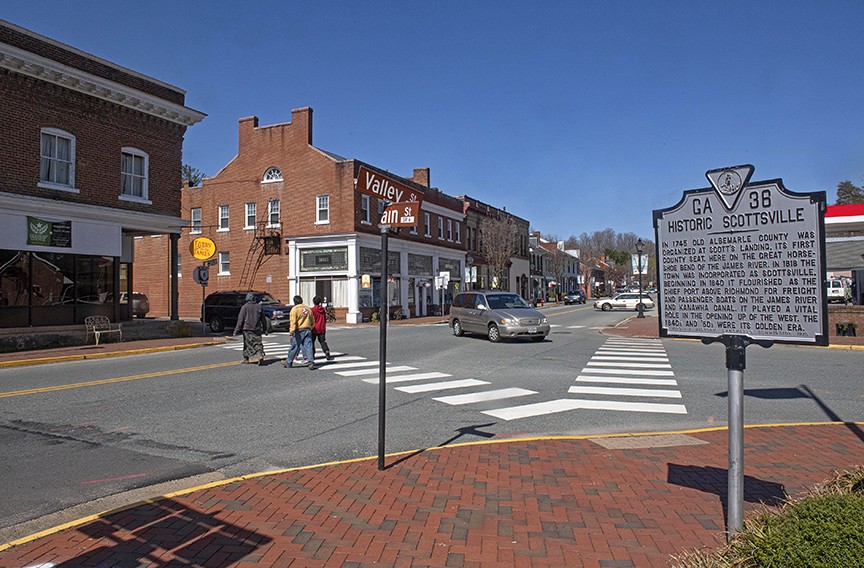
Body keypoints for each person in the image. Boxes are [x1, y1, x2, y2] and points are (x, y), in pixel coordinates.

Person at [282, 295, 317, 370]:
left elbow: (293, 322)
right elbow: (312, 320)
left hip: (299, 330)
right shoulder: (307, 308)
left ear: (294, 302)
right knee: (308, 346)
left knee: (294, 346)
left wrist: (291, 332)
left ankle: (288, 362)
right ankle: (311, 362)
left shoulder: (294, 309)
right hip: (307, 329)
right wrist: (310, 327)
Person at [232, 293, 266, 365]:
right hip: (257, 328)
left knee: (247, 344)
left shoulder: (244, 307)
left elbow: (240, 320)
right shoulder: (259, 307)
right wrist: (265, 329)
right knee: (258, 343)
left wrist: (236, 330)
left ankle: (246, 358)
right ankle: (260, 355)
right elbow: (263, 319)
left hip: (247, 328)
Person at [311, 296, 334, 361]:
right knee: (322, 341)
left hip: (314, 328)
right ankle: (326, 351)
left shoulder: (312, 310)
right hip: (322, 327)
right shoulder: (323, 309)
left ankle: (312, 354)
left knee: (312, 341)